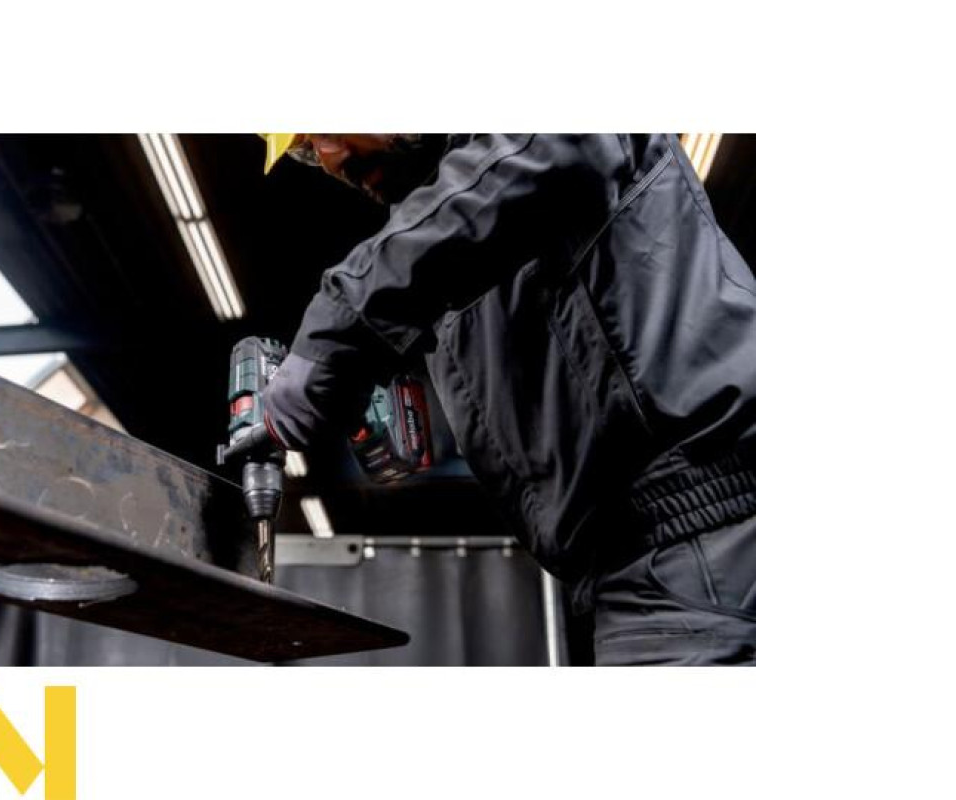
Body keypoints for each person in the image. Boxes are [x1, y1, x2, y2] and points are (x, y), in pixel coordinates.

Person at [258, 134, 755, 666]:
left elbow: (562, 148)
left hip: (713, 537)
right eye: (305, 151)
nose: (330, 157)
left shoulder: (517, 153)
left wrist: (344, 320)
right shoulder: (445, 233)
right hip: (628, 572)